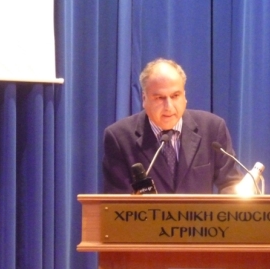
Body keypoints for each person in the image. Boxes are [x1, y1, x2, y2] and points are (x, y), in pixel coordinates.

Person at [102, 58, 242, 193]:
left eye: (175, 96)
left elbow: (230, 183)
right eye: (159, 98)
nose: (168, 106)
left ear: (184, 96)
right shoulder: (119, 138)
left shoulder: (212, 128)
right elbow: (117, 199)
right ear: (144, 99)